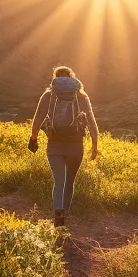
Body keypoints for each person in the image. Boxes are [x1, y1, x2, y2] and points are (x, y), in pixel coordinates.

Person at [28, 66, 99, 227]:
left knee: (58, 182)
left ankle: (58, 218)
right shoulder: (81, 96)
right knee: (69, 182)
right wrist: (94, 145)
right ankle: (64, 216)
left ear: (55, 78)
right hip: (76, 146)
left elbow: (38, 119)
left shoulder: (48, 95)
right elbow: (92, 122)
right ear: (72, 78)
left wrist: (34, 138)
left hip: (54, 145)